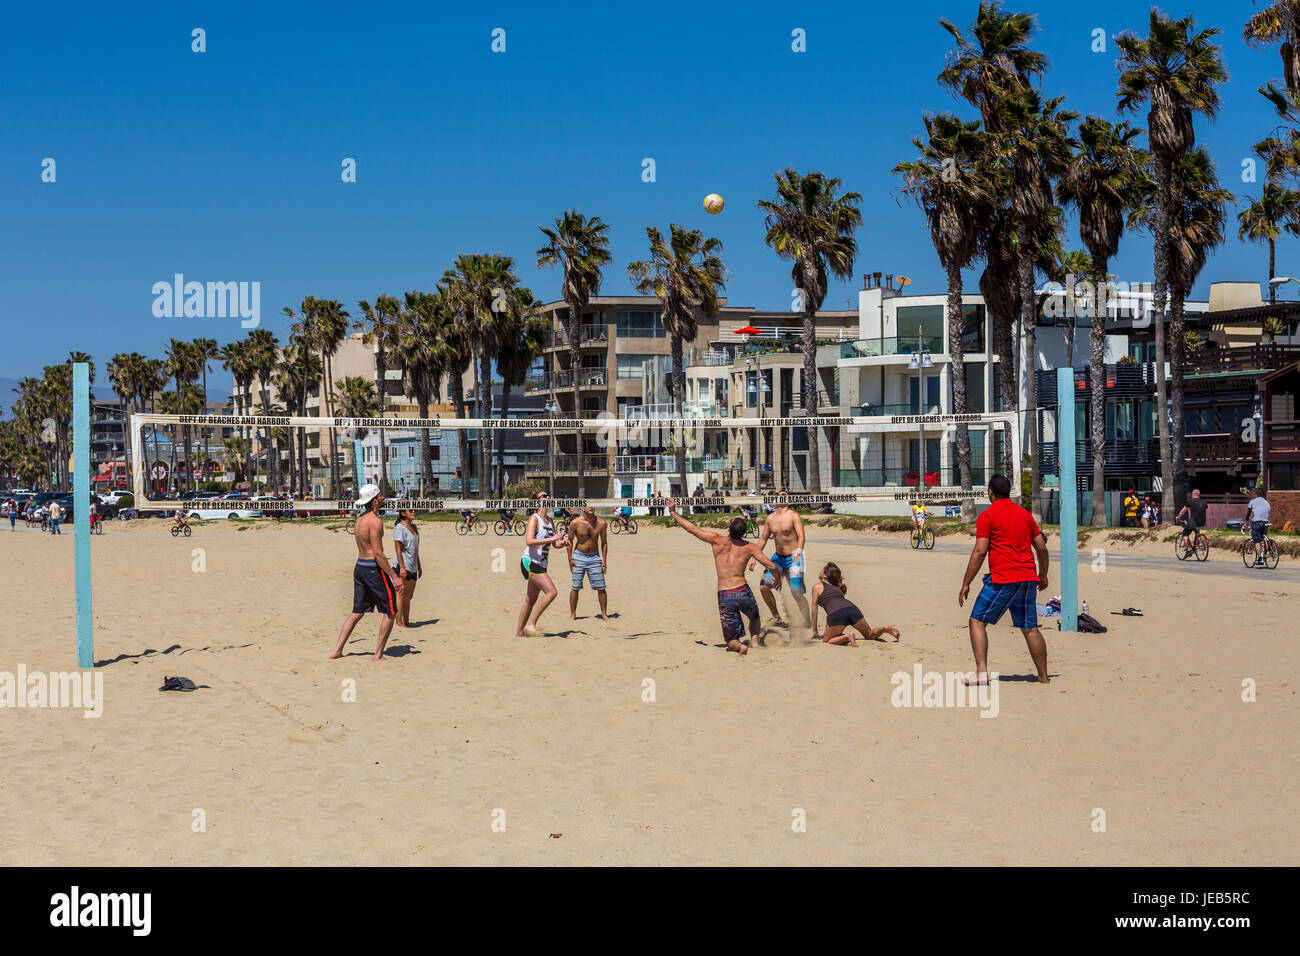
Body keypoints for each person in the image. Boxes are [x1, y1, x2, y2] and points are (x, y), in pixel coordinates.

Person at [958, 474, 1050, 685]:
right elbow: (1042, 547)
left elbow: (980, 552)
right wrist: (1042, 574)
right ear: (1008, 492)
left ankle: (982, 673)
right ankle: (1043, 677)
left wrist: (966, 583)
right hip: (1028, 578)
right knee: (1030, 628)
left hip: (1004, 579)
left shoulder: (988, 516)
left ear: (990, 493)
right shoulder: (1025, 515)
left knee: (977, 621)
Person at [667, 497, 778, 655]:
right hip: (742, 590)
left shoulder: (717, 541)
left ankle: (739, 646)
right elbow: (771, 565)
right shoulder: (749, 547)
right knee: (754, 617)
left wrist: (673, 512)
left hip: (725, 594)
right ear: (744, 533)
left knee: (731, 640)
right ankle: (754, 642)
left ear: (728, 529)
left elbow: (692, 529)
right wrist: (777, 579)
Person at [331, 484, 404, 661]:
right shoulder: (375, 521)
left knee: (357, 612)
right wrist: (394, 577)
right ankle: (378, 654)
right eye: (380, 496)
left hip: (360, 567)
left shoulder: (360, 520)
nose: (383, 498)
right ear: (374, 500)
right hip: (372, 569)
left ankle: (337, 650)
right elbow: (378, 554)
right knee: (391, 611)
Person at [750, 498, 811, 631]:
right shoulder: (770, 518)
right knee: (764, 587)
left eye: (783, 494)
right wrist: (755, 556)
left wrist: (799, 551)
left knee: (796, 593)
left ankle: (807, 620)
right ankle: (776, 617)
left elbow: (801, 536)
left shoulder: (793, 515)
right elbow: (763, 539)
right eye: (777, 495)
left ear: (788, 501)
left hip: (794, 558)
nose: (779, 496)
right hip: (778, 559)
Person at [516, 491, 569, 637]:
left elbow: (555, 543)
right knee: (552, 592)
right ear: (537, 501)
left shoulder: (550, 520)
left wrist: (562, 543)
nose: (547, 497)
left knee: (530, 599)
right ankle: (531, 624)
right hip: (530, 562)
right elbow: (529, 541)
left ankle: (519, 633)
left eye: (547, 495)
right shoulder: (534, 518)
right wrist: (552, 539)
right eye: (543, 496)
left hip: (541, 564)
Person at [809, 562, 899, 645]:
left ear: (825, 576)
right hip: (851, 608)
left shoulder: (817, 587)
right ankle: (885, 629)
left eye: (822, 569)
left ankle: (848, 637)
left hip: (837, 613)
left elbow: (814, 610)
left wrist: (815, 631)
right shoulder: (836, 587)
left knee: (827, 640)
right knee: (870, 634)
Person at [567, 506, 609, 620]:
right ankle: (573, 614)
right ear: (582, 508)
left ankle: (604, 614)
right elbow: (569, 541)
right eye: (587, 505)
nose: (591, 507)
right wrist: (570, 559)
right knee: (575, 586)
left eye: (593, 504)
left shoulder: (601, 523)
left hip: (595, 557)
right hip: (579, 556)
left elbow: (604, 542)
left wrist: (604, 560)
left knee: (601, 586)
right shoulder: (575, 523)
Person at [392, 507, 423, 627]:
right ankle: (399, 622)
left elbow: (416, 549)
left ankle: (407, 622)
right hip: (402, 566)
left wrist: (419, 566)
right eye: (410, 510)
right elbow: (398, 549)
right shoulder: (400, 527)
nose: (414, 512)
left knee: (409, 596)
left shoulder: (414, 527)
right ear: (403, 513)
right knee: (400, 594)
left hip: (413, 565)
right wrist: (401, 567)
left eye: (415, 509)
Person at [1175, 488, 1208, 555]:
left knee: (1185, 533)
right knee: (1196, 530)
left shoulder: (1190, 501)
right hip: (1202, 522)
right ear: (1199, 495)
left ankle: (1189, 549)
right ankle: (1197, 543)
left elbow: (1183, 511)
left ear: (1193, 494)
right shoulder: (1204, 502)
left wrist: (1178, 517)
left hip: (1193, 521)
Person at [1247, 487, 1272, 566]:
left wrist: (1245, 522)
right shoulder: (1267, 502)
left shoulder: (1252, 501)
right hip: (1266, 522)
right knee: (1263, 537)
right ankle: (1268, 549)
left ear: (1256, 494)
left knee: (1256, 540)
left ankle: (1260, 559)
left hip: (1257, 523)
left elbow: (1248, 513)